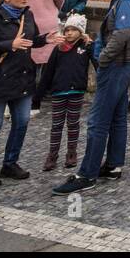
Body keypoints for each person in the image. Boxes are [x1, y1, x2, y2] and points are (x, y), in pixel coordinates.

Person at [52, 0, 130, 196]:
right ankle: (114, 165)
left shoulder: (127, 0)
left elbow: (122, 33)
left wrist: (103, 58)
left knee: (98, 121)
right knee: (117, 116)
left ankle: (86, 174)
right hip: (124, 63)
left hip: (117, 65)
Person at [0, 0, 54, 187]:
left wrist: (45, 39)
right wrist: (9, 45)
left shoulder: (27, 15)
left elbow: (31, 40)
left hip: (23, 77)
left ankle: (10, 163)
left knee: (21, 122)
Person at [35, 14, 93, 172]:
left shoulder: (85, 47)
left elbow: (97, 62)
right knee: (56, 125)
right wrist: (37, 97)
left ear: (81, 32)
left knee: (73, 124)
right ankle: (52, 155)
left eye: (73, 30)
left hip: (77, 91)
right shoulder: (58, 49)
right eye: (67, 29)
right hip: (59, 91)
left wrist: (92, 46)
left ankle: (71, 153)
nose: (69, 33)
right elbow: (47, 73)